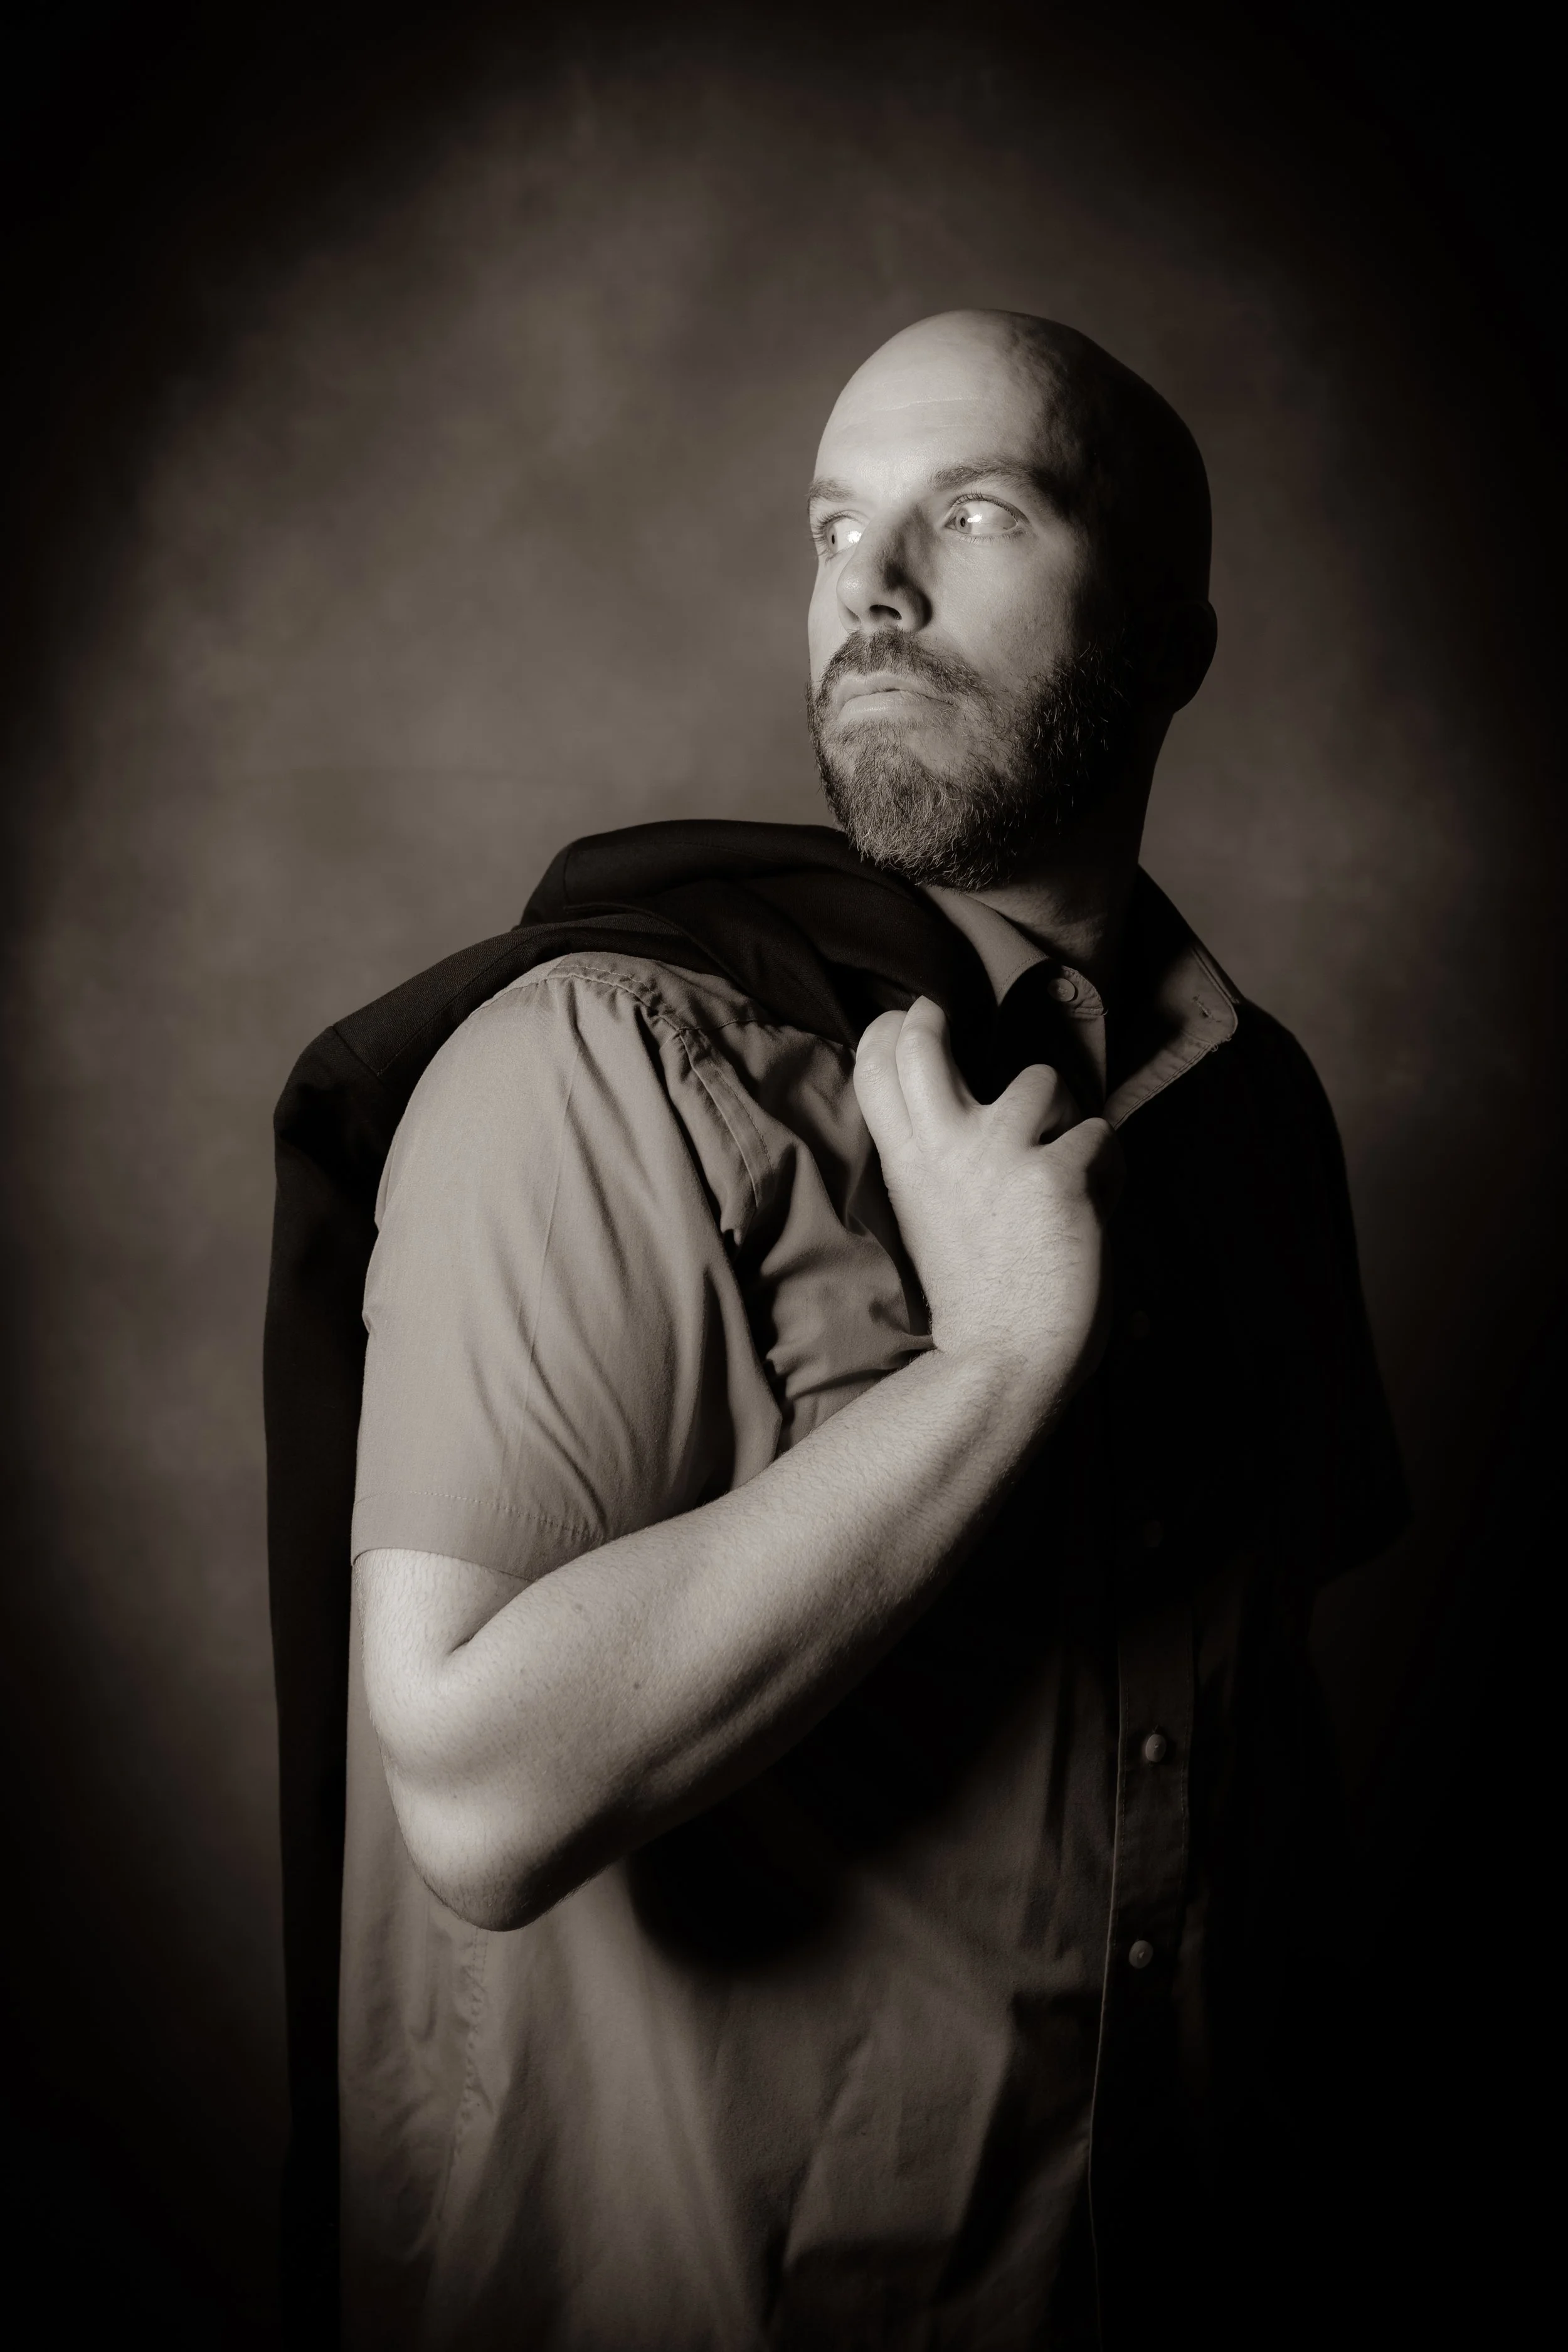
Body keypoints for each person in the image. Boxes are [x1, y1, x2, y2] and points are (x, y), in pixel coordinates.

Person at [334, 311, 1405, 2347]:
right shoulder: (598, 1058)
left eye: (971, 512)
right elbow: (476, 1794)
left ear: (1173, 637)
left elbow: (1255, 1721)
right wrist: (994, 1366)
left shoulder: (1246, 1110)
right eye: (833, 526)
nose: (870, 588)